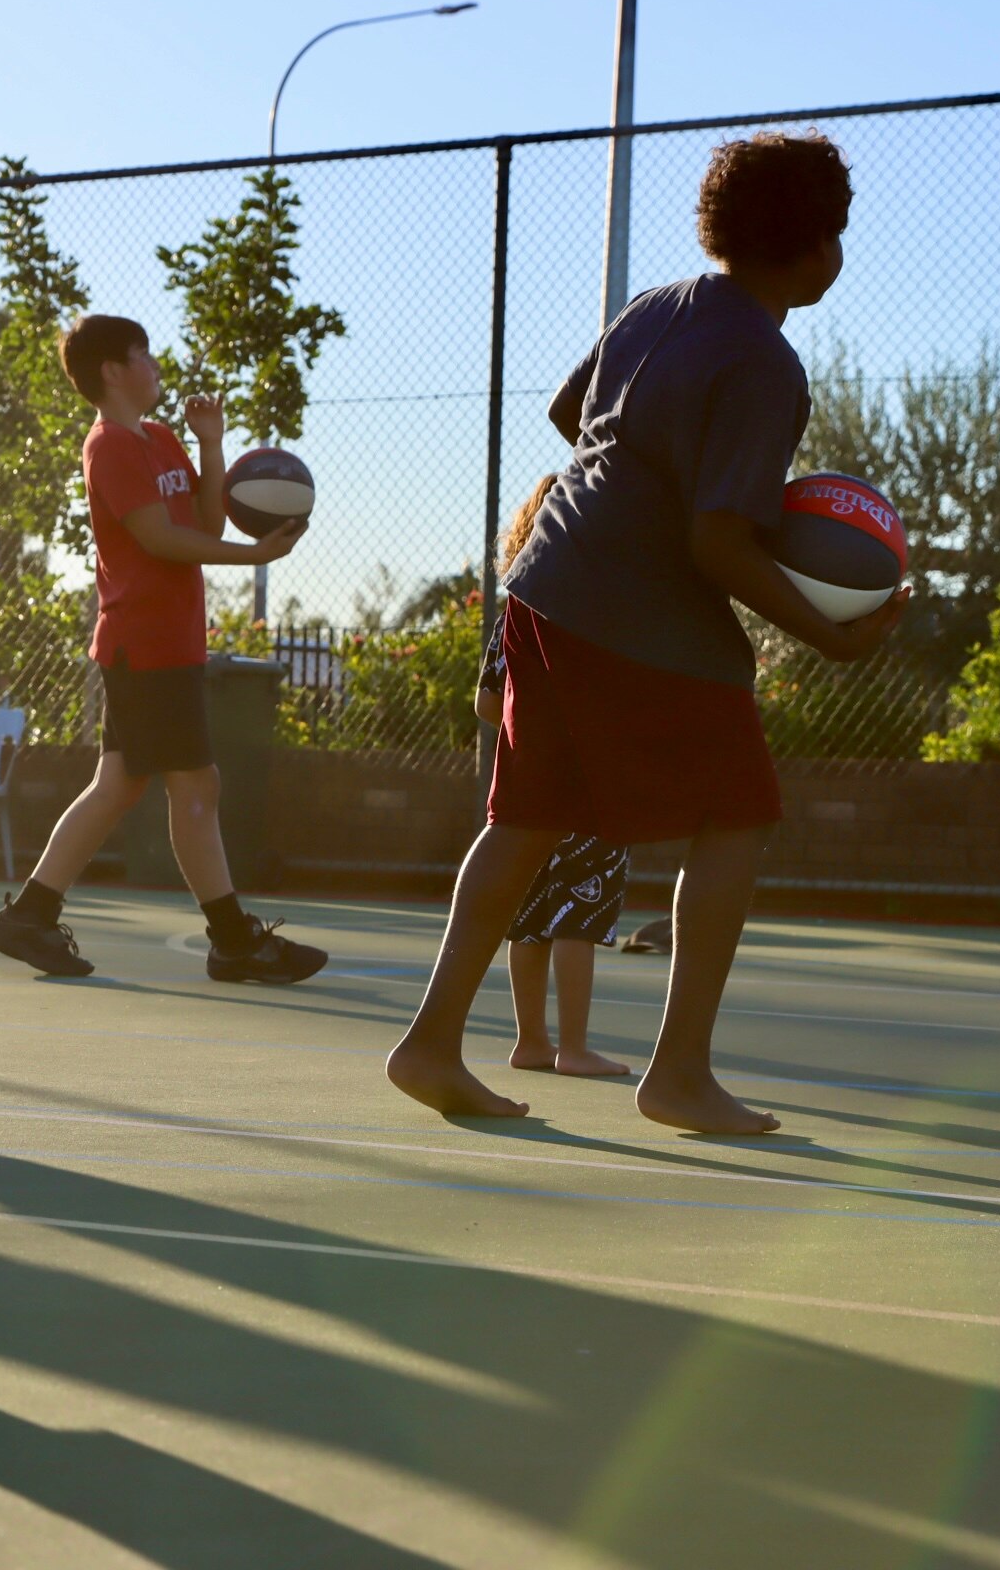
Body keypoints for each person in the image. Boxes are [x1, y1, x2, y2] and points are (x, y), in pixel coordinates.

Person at [387, 131, 905, 1134]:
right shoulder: (764, 363)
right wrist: (835, 638)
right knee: (739, 811)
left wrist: (631, 474)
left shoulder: (660, 305)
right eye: (836, 235)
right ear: (813, 250)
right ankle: (678, 1072)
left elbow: (569, 408)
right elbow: (720, 545)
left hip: (542, 582)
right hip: (636, 609)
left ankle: (431, 1041)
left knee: (524, 817)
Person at [0, 314, 324, 984]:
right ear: (112, 369)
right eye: (143, 353)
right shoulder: (109, 446)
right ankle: (232, 940)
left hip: (168, 642)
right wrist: (253, 556)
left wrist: (213, 445)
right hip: (145, 644)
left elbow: (202, 519)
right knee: (194, 785)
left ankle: (30, 915)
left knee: (118, 787)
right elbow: (160, 540)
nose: (154, 362)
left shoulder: (161, 438)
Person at [475, 478, 631, 1079]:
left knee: (530, 913)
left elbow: (488, 702)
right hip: (590, 788)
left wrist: (529, 730)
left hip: (527, 788)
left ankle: (531, 1041)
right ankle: (574, 1046)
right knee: (579, 916)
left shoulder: (519, 608)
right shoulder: (606, 609)